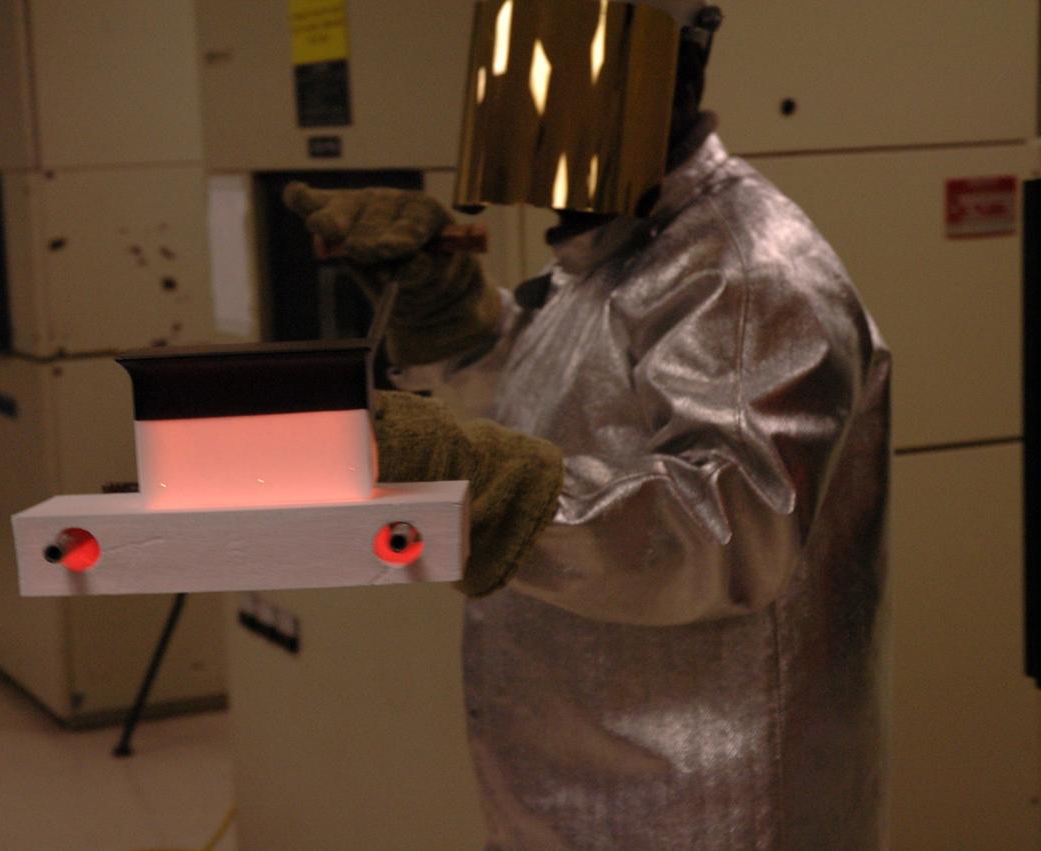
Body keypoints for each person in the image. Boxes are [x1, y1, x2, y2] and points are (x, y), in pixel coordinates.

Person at [285, 2, 890, 848]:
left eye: (568, 55)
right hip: (585, 780)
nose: (535, 92)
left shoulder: (747, 268)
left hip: (709, 808)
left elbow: (732, 530)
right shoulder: (623, 245)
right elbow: (566, 409)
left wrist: (483, 484)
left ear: (667, 66)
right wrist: (451, 316)